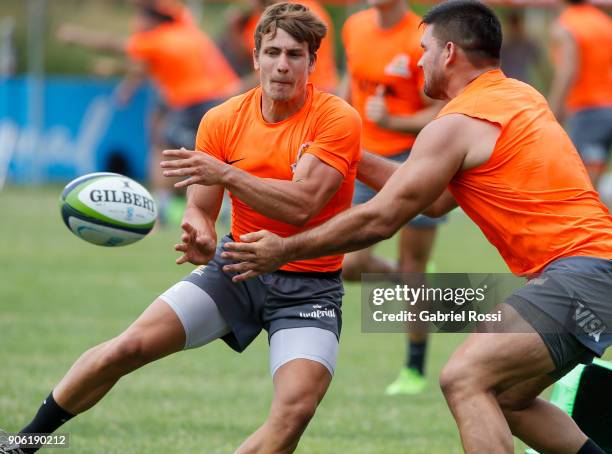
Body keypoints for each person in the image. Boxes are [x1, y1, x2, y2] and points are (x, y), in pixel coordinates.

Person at [221, 1, 612, 453]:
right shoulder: (518, 96)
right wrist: (348, 155)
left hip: (580, 274)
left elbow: (381, 218)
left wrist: (284, 250)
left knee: (464, 377)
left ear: (448, 53)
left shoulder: (458, 123)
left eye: (423, 49)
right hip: (589, 272)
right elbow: (439, 196)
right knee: (507, 399)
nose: (419, 60)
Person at [3, 3, 360, 453]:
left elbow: (303, 205)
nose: (282, 65)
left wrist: (227, 175)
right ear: (255, 58)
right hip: (236, 268)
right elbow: (201, 207)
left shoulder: (336, 118)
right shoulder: (222, 119)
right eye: (272, 52)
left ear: (312, 61)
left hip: (310, 287)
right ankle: (21, 444)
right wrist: (200, 230)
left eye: (294, 54)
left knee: (294, 412)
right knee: (126, 348)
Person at [340, 0, 443, 395]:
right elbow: (350, 87)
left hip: (415, 159)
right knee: (350, 265)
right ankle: (412, 281)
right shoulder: (354, 27)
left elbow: (442, 107)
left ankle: (414, 370)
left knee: (413, 261)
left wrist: (393, 121)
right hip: (365, 158)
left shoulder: (420, 38)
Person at [58, 3, 242, 224]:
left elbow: (113, 45)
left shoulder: (159, 38)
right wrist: (121, 79)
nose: (135, 22)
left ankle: (165, 207)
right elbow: (148, 67)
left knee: (165, 149)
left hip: (196, 101)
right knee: (211, 154)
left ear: (154, 19)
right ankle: (224, 206)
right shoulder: (188, 33)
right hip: (226, 98)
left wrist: (77, 37)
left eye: (140, 16)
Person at [548, 0, 612, 190]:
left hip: (587, 110)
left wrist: (553, 111)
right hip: (607, 108)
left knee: (582, 187)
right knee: (593, 183)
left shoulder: (566, 26)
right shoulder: (604, 22)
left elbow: (568, 71)